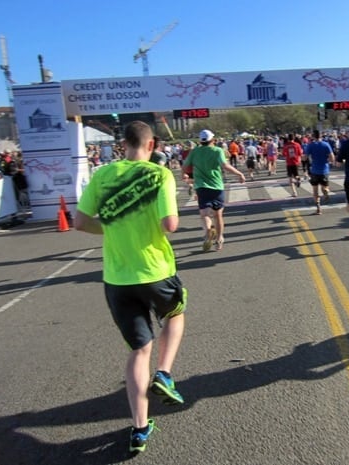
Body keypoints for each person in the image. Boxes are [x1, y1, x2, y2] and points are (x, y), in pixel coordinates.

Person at [74, 121, 187, 454]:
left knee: (139, 350)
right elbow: (171, 224)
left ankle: (140, 428)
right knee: (176, 315)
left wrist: (111, 230)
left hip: (118, 277)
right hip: (155, 270)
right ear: (151, 145)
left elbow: (79, 222)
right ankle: (165, 374)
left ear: (122, 144)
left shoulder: (102, 175)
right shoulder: (159, 174)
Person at [182, 129, 245, 252]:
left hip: (201, 186)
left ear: (200, 141)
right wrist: (239, 174)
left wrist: (183, 175)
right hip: (216, 186)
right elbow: (225, 166)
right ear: (213, 140)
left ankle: (208, 232)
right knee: (218, 215)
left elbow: (185, 166)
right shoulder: (217, 150)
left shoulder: (194, 152)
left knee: (204, 214)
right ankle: (219, 238)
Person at [304, 129, 335, 215]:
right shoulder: (326, 145)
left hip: (314, 170)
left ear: (313, 136)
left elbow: (305, 157)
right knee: (324, 186)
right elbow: (332, 158)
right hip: (324, 169)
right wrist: (328, 161)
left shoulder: (310, 145)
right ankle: (326, 192)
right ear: (320, 136)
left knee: (315, 190)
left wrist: (303, 159)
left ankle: (318, 208)